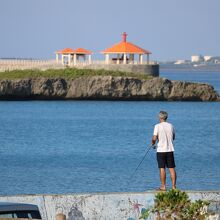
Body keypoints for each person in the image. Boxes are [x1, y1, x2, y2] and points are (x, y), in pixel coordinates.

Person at [152, 111, 177, 191]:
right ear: (166, 117)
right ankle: (173, 187)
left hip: (161, 150)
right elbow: (173, 137)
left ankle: (163, 186)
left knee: (162, 168)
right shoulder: (171, 126)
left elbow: (154, 138)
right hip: (170, 150)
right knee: (171, 168)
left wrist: (153, 143)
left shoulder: (157, 126)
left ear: (160, 117)